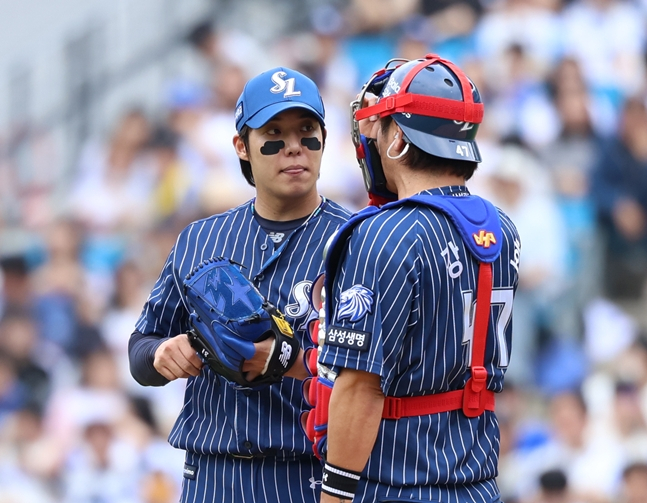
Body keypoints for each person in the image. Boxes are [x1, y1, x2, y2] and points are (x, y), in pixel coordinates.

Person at [128, 67, 351, 503]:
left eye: (307, 131)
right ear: (241, 147)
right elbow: (140, 349)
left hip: (307, 476)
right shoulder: (200, 239)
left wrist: (294, 358)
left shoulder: (356, 241)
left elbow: (378, 375)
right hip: (211, 476)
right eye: (274, 132)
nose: (293, 147)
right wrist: (160, 353)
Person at [312, 54, 521, 503]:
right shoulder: (503, 227)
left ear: (400, 139)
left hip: (398, 484)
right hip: (477, 483)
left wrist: (333, 496)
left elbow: (360, 387)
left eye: (383, 125)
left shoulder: (384, 232)